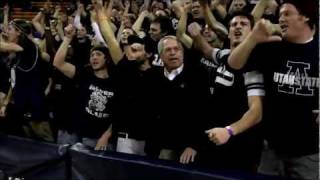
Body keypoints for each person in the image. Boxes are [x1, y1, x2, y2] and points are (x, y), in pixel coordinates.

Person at [227, 0, 319, 179]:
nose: (281, 19)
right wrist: (253, 37)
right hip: (272, 151)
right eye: (279, 15)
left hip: (310, 153)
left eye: (287, 14)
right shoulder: (272, 47)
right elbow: (234, 64)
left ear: (305, 16)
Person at [187, 8, 265, 171]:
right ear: (228, 33)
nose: (237, 27)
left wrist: (229, 131)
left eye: (243, 24)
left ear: (252, 33)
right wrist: (196, 35)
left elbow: (256, 111)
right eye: (234, 24)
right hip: (214, 137)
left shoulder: (253, 64)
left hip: (239, 145)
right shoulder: (224, 55)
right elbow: (208, 51)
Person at [145, 35, 208, 165]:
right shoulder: (151, 77)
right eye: (168, 50)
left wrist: (194, 145)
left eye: (177, 49)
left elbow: (204, 112)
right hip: (157, 148)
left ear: (183, 53)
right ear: (161, 56)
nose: (173, 53)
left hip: (186, 150)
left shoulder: (198, 74)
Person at [53, 24, 115, 150]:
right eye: (92, 55)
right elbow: (58, 63)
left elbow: (118, 113)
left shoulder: (115, 81)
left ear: (107, 59)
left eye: (98, 54)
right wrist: (67, 38)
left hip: (101, 138)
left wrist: (106, 136)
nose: (94, 57)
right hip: (79, 134)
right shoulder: (85, 74)